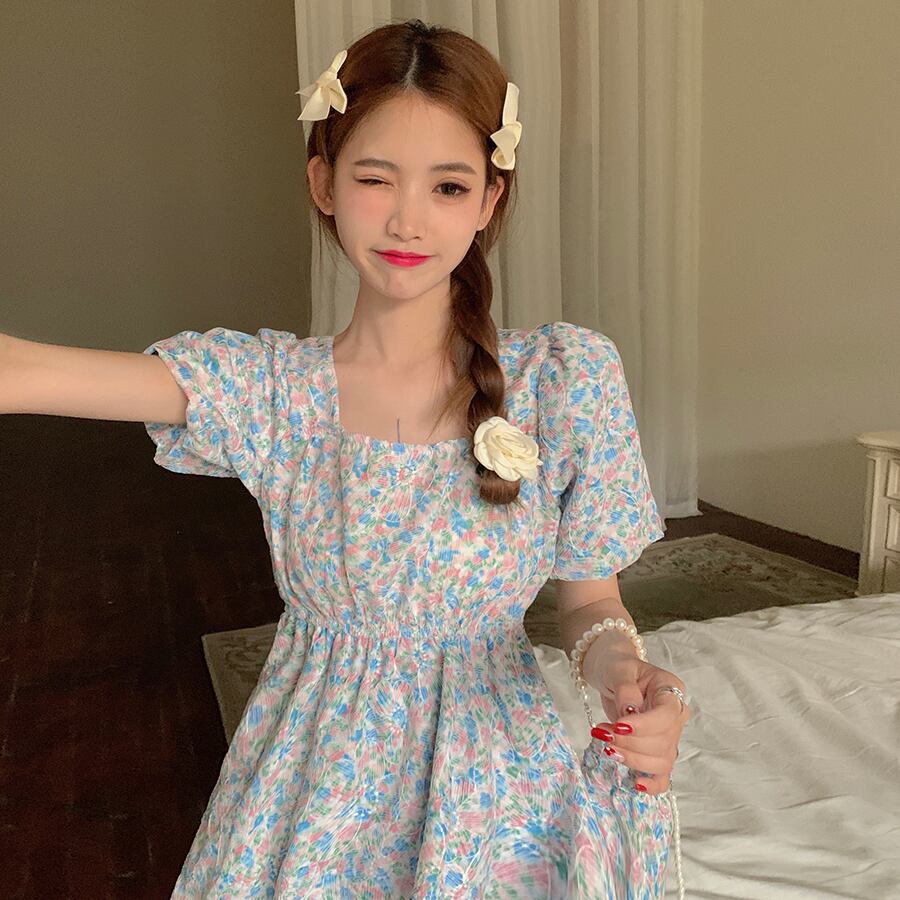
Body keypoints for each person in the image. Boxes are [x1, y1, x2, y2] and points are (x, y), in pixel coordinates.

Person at [0, 18, 691, 898]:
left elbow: (591, 601)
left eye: (448, 186)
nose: (407, 218)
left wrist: (625, 674)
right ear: (323, 183)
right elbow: (24, 371)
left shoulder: (565, 379)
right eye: (375, 178)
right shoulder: (273, 391)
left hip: (493, 791)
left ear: (488, 201)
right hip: (311, 791)